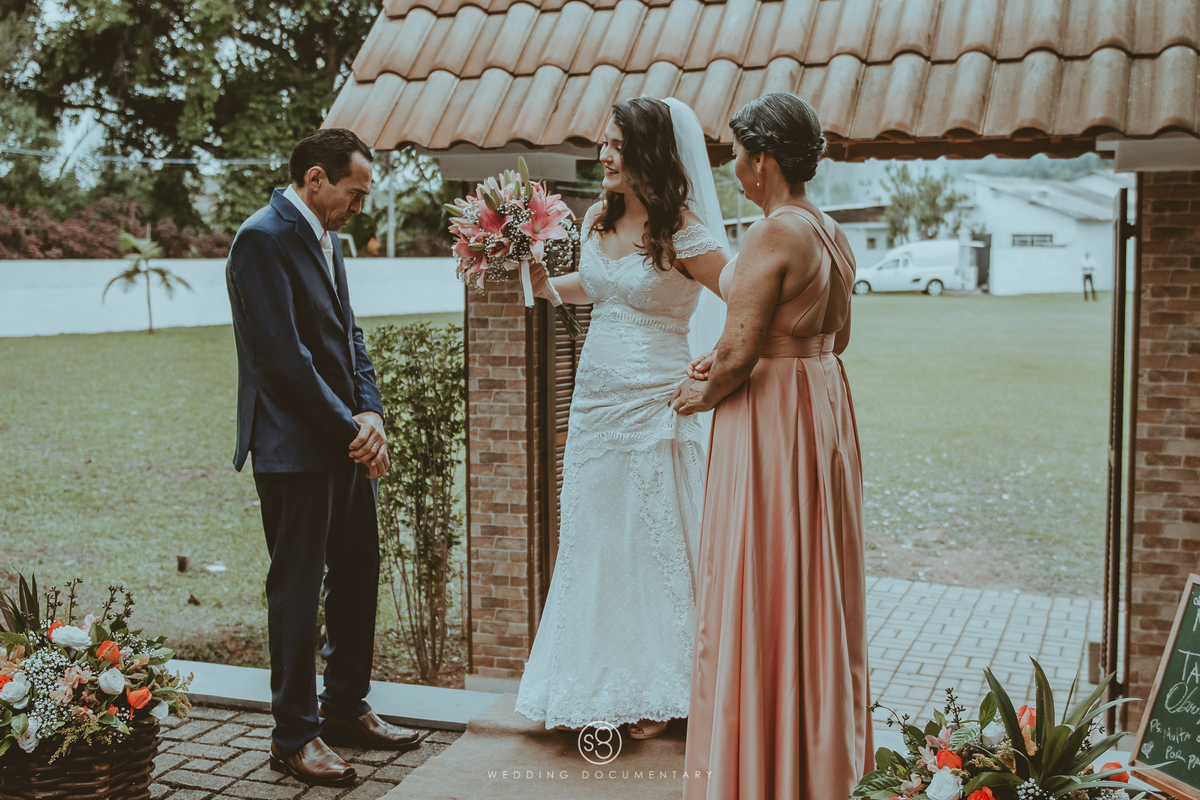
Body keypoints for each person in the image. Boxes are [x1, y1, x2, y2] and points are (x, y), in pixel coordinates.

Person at [672, 93, 873, 798]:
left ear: (763, 159)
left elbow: (736, 355)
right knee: (811, 573)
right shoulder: (829, 230)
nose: (733, 167)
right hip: (819, 404)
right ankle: (813, 756)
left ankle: (757, 763)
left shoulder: (771, 233)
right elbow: (835, 338)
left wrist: (696, 391)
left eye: (737, 154)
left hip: (770, 421)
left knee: (761, 571)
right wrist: (750, 354)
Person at [516, 97, 729, 739]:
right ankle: (597, 678)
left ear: (648, 153)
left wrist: (715, 365)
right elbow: (597, 286)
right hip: (594, 408)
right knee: (597, 537)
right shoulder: (596, 216)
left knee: (649, 539)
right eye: (603, 143)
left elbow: (748, 296)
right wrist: (543, 282)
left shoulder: (681, 229)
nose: (603, 154)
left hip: (656, 405)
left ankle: (663, 687)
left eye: (616, 145)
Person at [225, 128, 424, 788]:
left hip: (344, 441)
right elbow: (284, 361)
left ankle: (344, 708)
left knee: (359, 574)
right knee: (297, 589)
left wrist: (372, 414)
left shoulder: (328, 239)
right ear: (315, 179)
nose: (360, 207)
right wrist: (352, 431)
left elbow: (348, 335)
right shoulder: (261, 239)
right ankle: (293, 735)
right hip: (294, 449)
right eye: (354, 193)